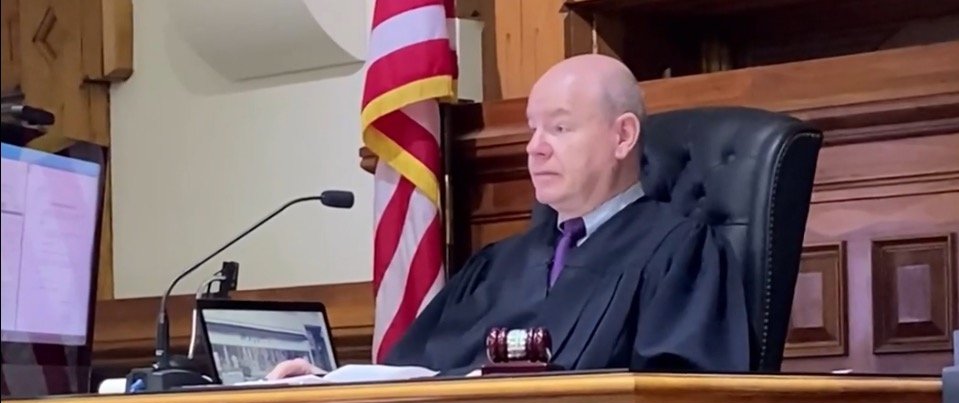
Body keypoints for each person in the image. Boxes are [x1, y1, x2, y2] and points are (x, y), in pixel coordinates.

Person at [269, 54, 750, 379]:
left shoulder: (679, 253)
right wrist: (335, 382)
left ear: (623, 136)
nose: (535, 148)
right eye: (532, 129)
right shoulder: (497, 266)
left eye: (559, 128)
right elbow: (415, 377)